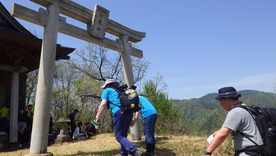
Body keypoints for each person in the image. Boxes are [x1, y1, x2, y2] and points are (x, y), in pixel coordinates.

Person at [204, 87, 263, 156]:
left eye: (221, 101)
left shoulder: (236, 112)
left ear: (227, 99)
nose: (221, 104)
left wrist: (208, 152)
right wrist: (219, 131)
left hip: (248, 153)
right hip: (256, 151)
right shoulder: (245, 108)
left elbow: (223, 134)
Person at [95, 79, 143, 156]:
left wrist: (98, 116)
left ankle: (134, 151)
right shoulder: (120, 91)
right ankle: (124, 154)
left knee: (119, 136)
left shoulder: (107, 90)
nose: (104, 89)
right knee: (123, 136)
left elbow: (103, 104)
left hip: (119, 112)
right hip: (128, 113)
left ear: (107, 85)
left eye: (105, 87)